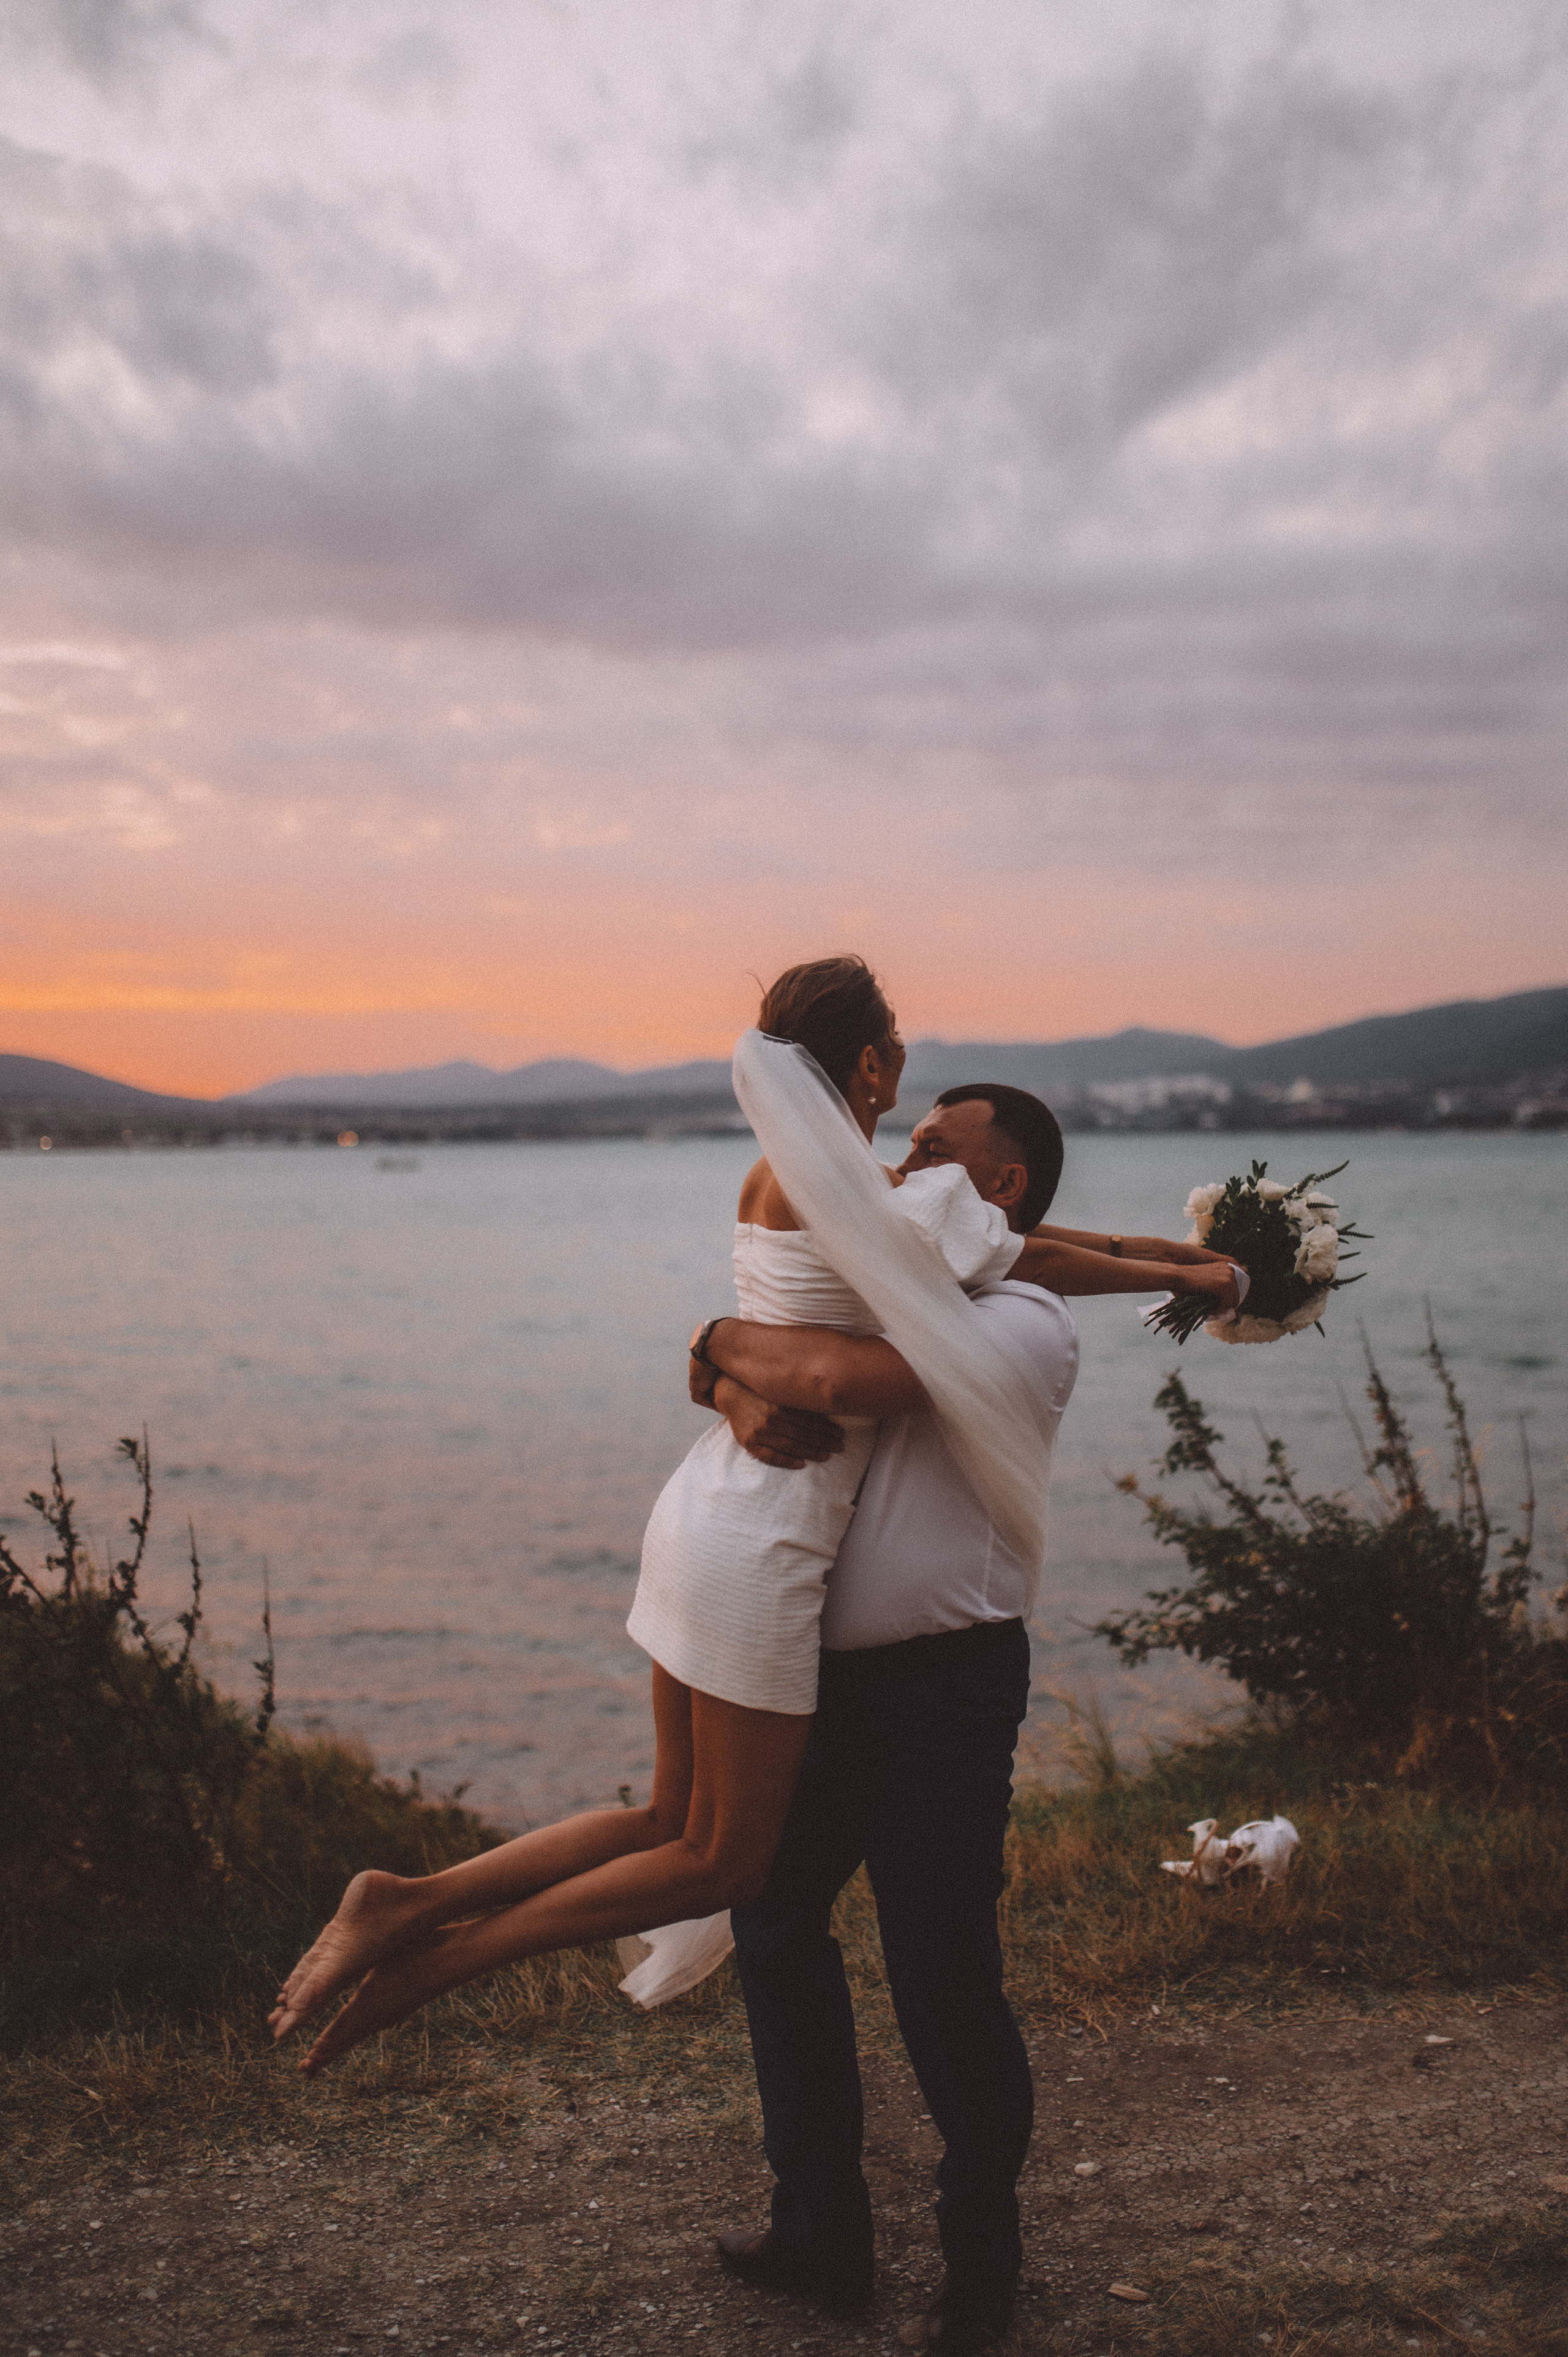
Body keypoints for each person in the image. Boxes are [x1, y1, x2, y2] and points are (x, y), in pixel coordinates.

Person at [268, 960, 1240, 2074]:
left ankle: (407, 1902)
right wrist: (1192, 1275)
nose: (914, 1110)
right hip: (766, 1539)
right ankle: (438, 1959)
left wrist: (1203, 1269)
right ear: (870, 1064)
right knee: (724, 1863)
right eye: (896, 1047)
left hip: (706, 1509)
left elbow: (1056, 1247)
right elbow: (1029, 1266)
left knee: (667, 1820)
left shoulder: (810, 1180)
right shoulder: (868, 1198)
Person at [689, 1083, 1098, 2352]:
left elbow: (822, 1374)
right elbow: (741, 1377)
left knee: (941, 1972)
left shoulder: (1024, 1322)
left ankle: (980, 2269)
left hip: (944, 1691)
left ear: (1002, 1187)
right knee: (773, 1929)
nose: (898, 1159)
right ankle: (820, 2230)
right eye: (906, 1137)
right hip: (813, 1686)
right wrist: (724, 1379)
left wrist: (718, 1338)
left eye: (930, 1147)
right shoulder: (879, 1286)